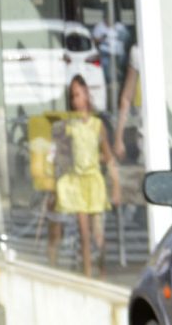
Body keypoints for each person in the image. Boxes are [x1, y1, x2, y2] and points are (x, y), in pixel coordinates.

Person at [51, 74, 112, 277]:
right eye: (73, 96)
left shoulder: (97, 125)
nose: (76, 100)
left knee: (98, 234)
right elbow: (64, 153)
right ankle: (87, 274)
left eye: (78, 95)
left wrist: (113, 180)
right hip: (77, 182)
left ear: (86, 94)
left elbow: (107, 155)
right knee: (84, 234)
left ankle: (102, 271)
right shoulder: (71, 126)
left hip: (93, 182)